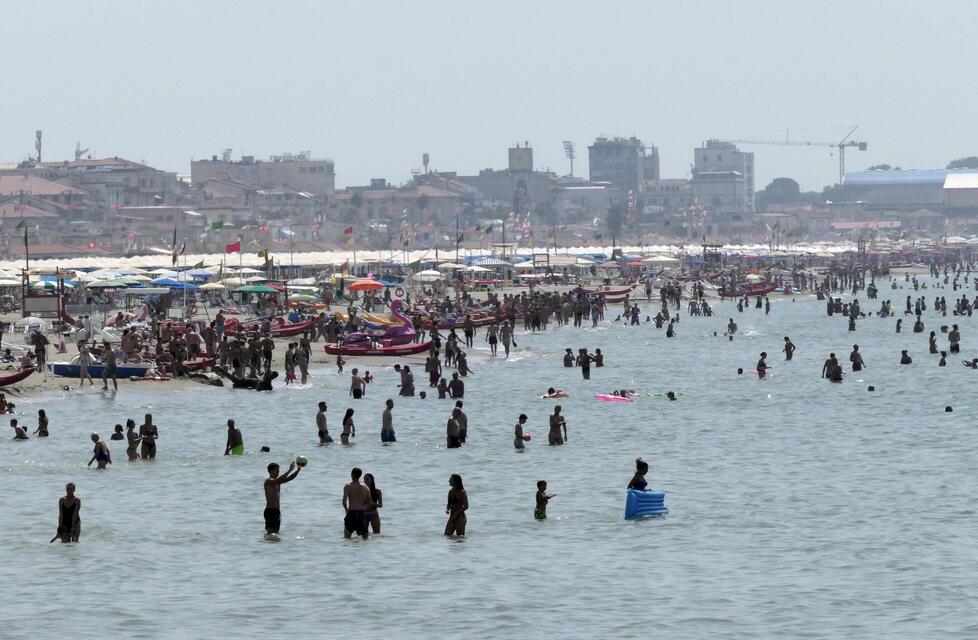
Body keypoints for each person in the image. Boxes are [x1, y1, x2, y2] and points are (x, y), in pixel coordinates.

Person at [264, 459, 301, 535]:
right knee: (270, 533)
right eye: (276, 470)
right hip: (270, 511)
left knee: (276, 534)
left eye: (278, 470)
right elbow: (278, 480)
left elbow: (290, 478)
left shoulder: (278, 482)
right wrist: (290, 470)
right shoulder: (268, 481)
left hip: (277, 511)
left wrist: (298, 470)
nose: (278, 472)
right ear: (271, 471)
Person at [343, 467, 372, 540]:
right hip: (361, 514)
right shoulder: (365, 487)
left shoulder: (347, 486)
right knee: (365, 540)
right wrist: (364, 510)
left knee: (347, 539)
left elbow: (344, 502)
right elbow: (370, 503)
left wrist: (346, 510)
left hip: (351, 514)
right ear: (360, 476)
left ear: (352, 474)